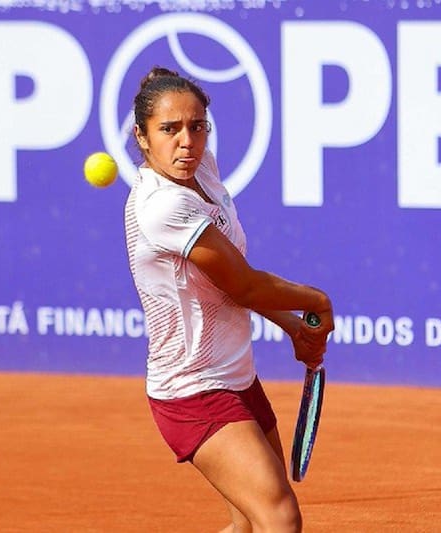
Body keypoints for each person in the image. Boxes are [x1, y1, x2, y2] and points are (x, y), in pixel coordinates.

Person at [124, 66, 334, 533]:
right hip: (194, 390)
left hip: (236, 377)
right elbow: (244, 284)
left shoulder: (201, 170)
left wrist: (292, 325)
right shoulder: (163, 206)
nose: (187, 142)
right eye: (169, 129)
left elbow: (225, 284)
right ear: (142, 137)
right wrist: (315, 300)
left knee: (249, 525)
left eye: (197, 127)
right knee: (279, 517)